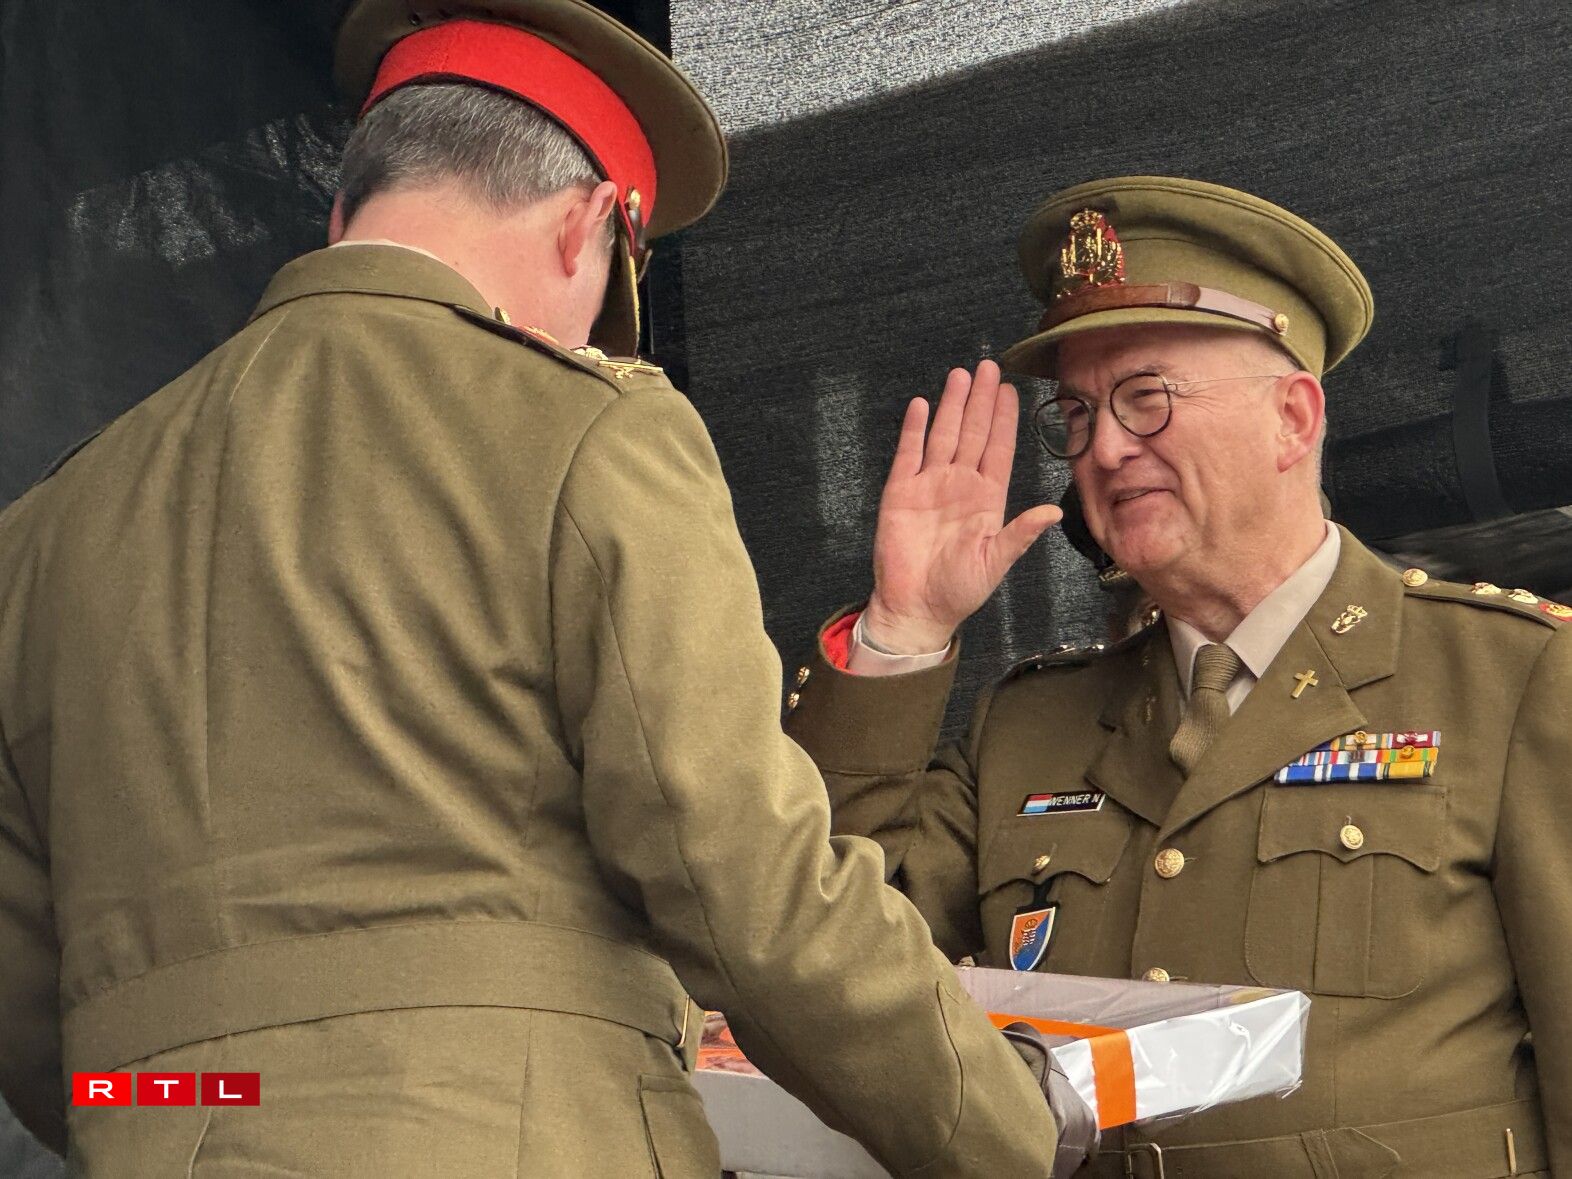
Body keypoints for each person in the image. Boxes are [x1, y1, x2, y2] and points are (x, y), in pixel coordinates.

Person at [0, 3, 1088, 1173]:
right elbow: (744, 883)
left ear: (343, 215)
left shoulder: (42, 532)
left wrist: (178, 1103)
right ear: (587, 230)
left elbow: (30, 1007)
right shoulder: (589, 431)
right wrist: (1014, 1125)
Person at [786, 175, 1569, 1177]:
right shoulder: (1029, 724)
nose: (1105, 448)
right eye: (1078, 414)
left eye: (1146, 398)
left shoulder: (1513, 679)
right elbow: (827, 948)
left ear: (1292, 419)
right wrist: (905, 626)